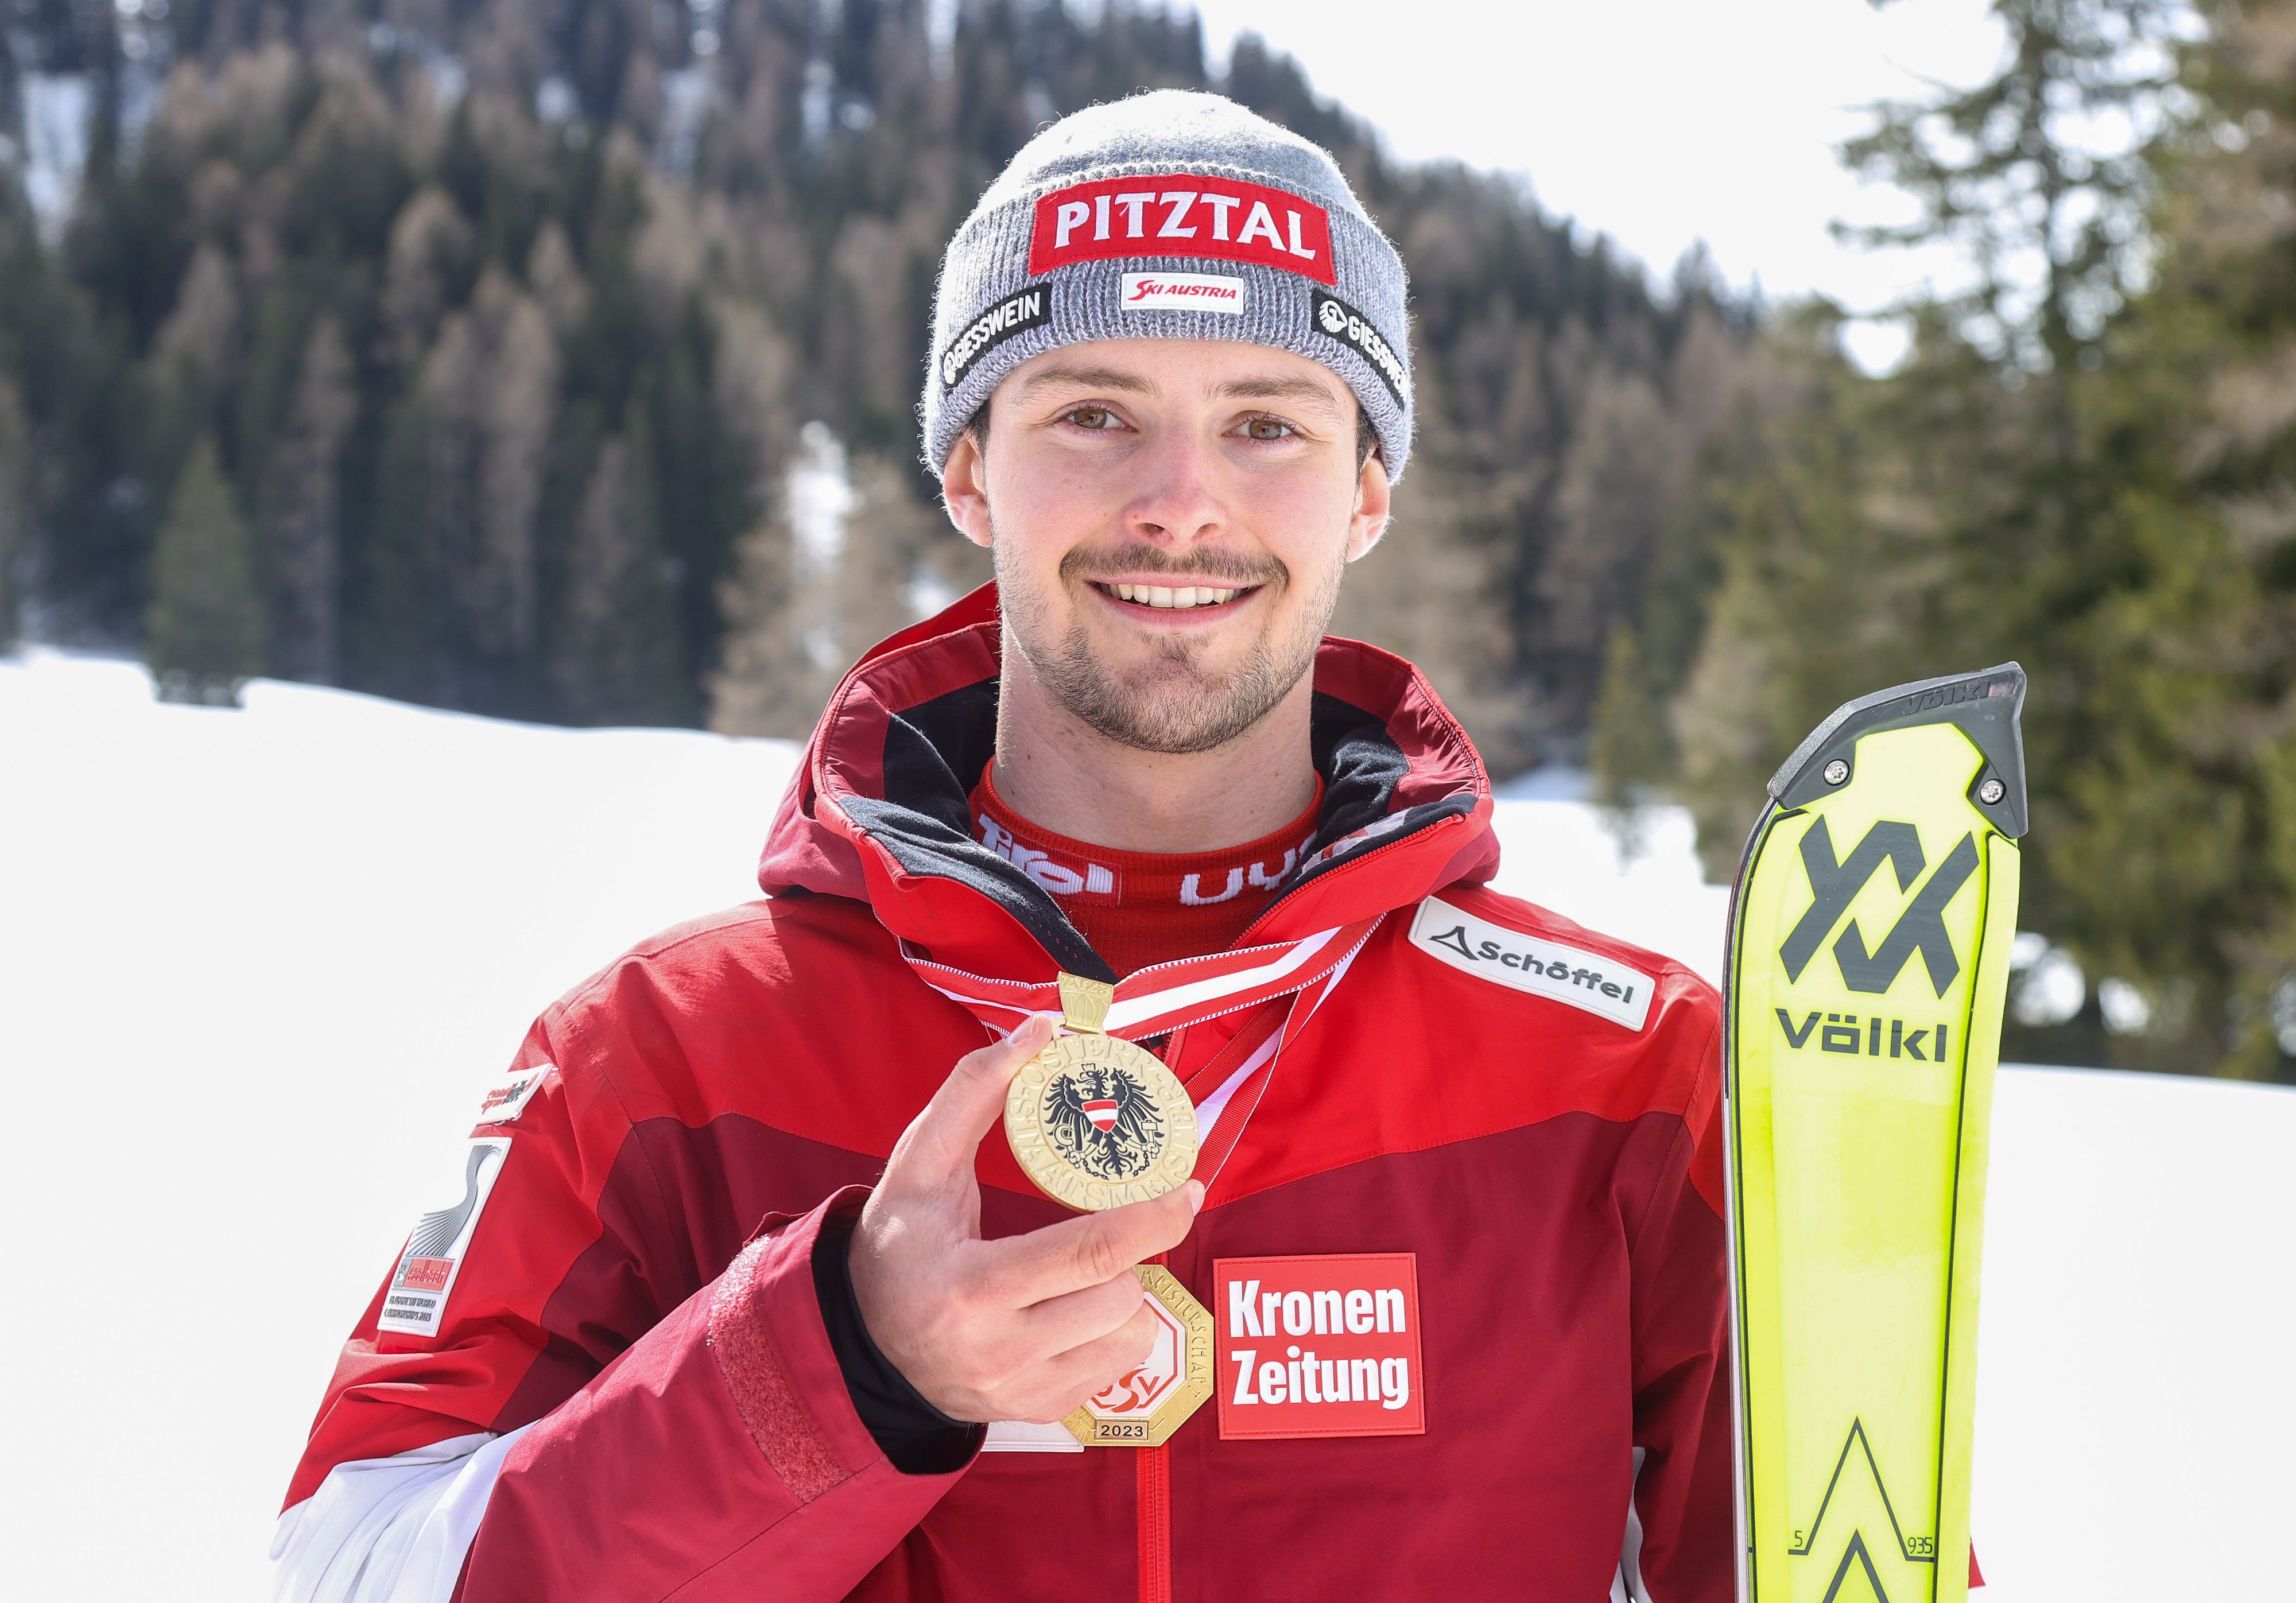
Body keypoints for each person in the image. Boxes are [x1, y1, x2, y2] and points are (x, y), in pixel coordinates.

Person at [273, 90, 1731, 1602]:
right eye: (1093, 412)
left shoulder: (1630, 1075)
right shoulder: (657, 1062)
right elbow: (346, 1567)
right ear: (970, 469)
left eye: (1266, 424)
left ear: (1367, 487)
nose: (1180, 506)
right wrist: (836, 1365)